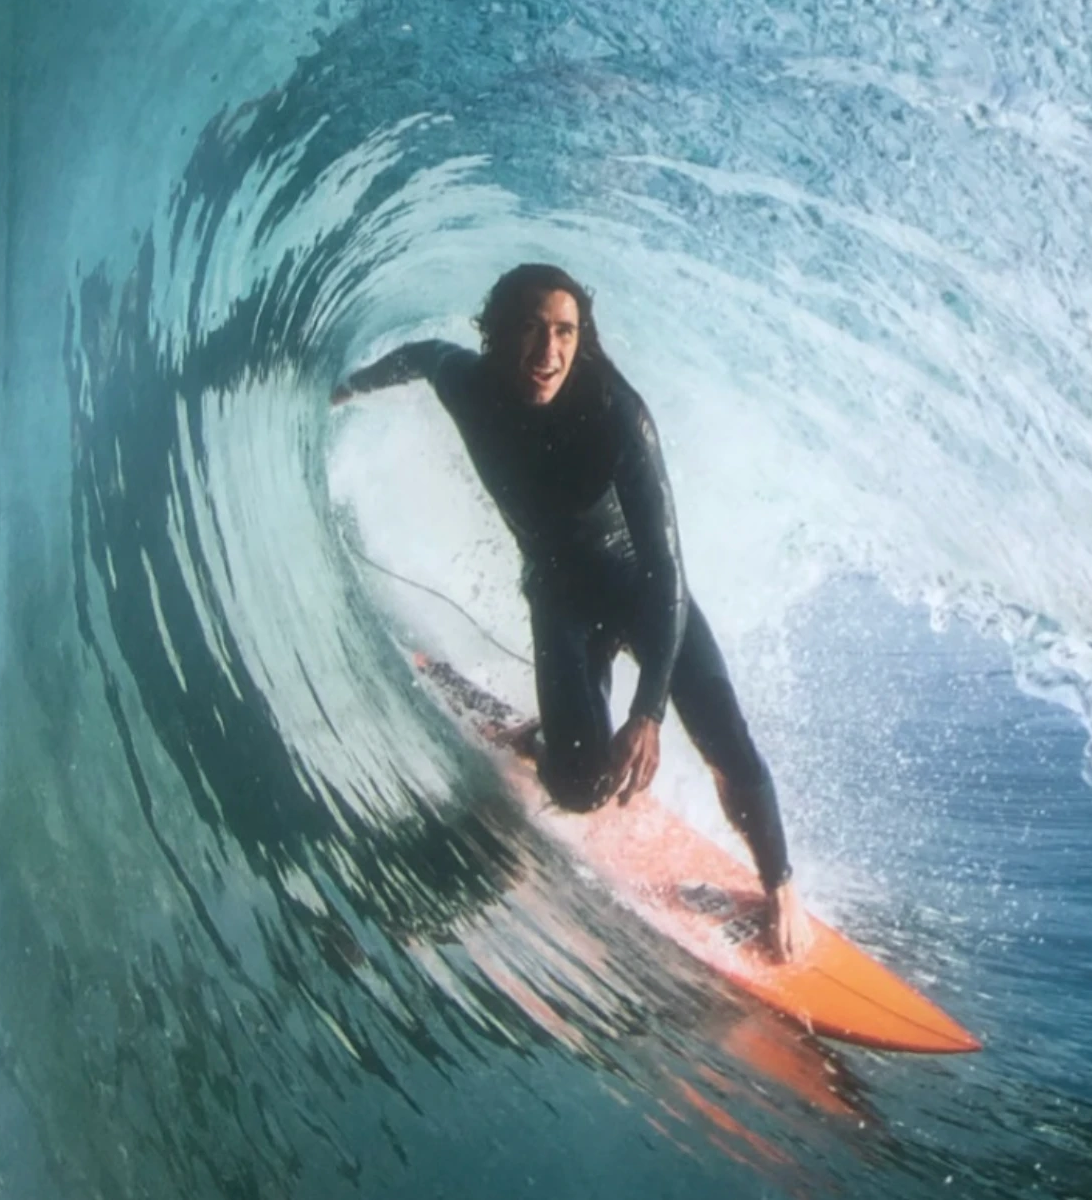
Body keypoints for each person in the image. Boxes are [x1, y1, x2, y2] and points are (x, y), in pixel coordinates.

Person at [332, 263, 811, 962]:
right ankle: (548, 740)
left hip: (645, 594)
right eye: (531, 328)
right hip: (559, 594)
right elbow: (420, 358)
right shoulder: (466, 383)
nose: (547, 351)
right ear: (498, 331)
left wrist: (647, 714)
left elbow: (666, 566)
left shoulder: (616, 412)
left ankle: (781, 887)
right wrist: (344, 388)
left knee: (726, 743)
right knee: (577, 789)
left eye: (564, 332)